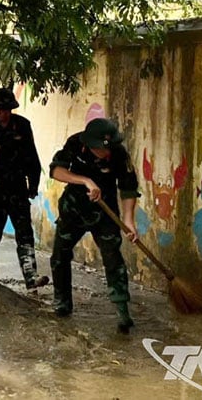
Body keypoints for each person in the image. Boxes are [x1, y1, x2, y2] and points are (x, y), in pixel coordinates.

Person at [49, 117, 140, 333]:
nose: (106, 153)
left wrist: (128, 220)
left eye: (109, 149)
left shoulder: (118, 153)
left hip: (105, 214)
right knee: (59, 255)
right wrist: (86, 181)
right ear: (90, 145)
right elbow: (56, 171)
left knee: (113, 258)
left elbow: (128, 188)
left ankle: (122, 310)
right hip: (73, 211)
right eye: (101, 149)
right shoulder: (74, 144)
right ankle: (62, 302)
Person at [0, 88, 48, 289]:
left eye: (6, 109)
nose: (3, 113)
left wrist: (33, 185)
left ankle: (31, 277)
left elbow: (32, 157)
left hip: (17, 189)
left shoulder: (22, 126)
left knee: (24, 233)